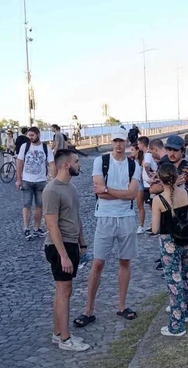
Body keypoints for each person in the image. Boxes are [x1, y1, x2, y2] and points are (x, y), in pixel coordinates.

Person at [74, 127, 140, 328]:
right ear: (112, 143)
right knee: (98, 263)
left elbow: (131, 195)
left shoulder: (133, 165)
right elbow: (100, 193)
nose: (119, 144)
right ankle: (89, 310)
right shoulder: (100, 162)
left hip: (126, 217)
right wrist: (119, 192)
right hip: (104, 217)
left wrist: (108, 189)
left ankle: (121, 305)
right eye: (115, 141)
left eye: (122, 141)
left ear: (127, 143)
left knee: (125, 262)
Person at [43, 149, 91, 351]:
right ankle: (65, 339)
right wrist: (63, 255)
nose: (79, 165)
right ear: (65, 165)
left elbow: (76, 217)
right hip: (58, 246)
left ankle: (58, 333)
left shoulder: (71, 188)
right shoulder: (52, 190)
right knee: (64, 292)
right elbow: (52, 225)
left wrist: (82, 244)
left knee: (62, 292)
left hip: (71, 244)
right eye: (76, 161)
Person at [151, 162, 188, 336]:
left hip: (169, 244)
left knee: (174, 282)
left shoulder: (158, 200)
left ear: (160, 179)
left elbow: (155, 229)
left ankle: (176, 324)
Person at [150, 134, 188, 270]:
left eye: (175, 150)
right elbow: (152, 188)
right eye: (169, 150)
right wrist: (171, 185)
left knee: (186, 266)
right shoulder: (163, 167)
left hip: (184, 219)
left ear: (182, 151)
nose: (171, 153)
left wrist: (179, 192)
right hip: (166, 220)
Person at [16, 126, 54, 240]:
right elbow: (19, 163)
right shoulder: (25, 146)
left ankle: (37, 228)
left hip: (41, 181)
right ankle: (26, 229)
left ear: (38, 134)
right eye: (29, 135)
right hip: (27, 181)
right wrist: (19, 179)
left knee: (39, 206)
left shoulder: (46, 148)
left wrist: (55, 180)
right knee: (26, 205)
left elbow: (52, 164)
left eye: (32, 135)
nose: (30, 137)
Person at [131, 142, 151, 234]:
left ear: (137, 151)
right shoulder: (133, 160)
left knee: (141, 206)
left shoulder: (141, 161)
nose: (131, 152)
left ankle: (142, 225)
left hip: (140, 184)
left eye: (132, 150)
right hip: (136, 184)